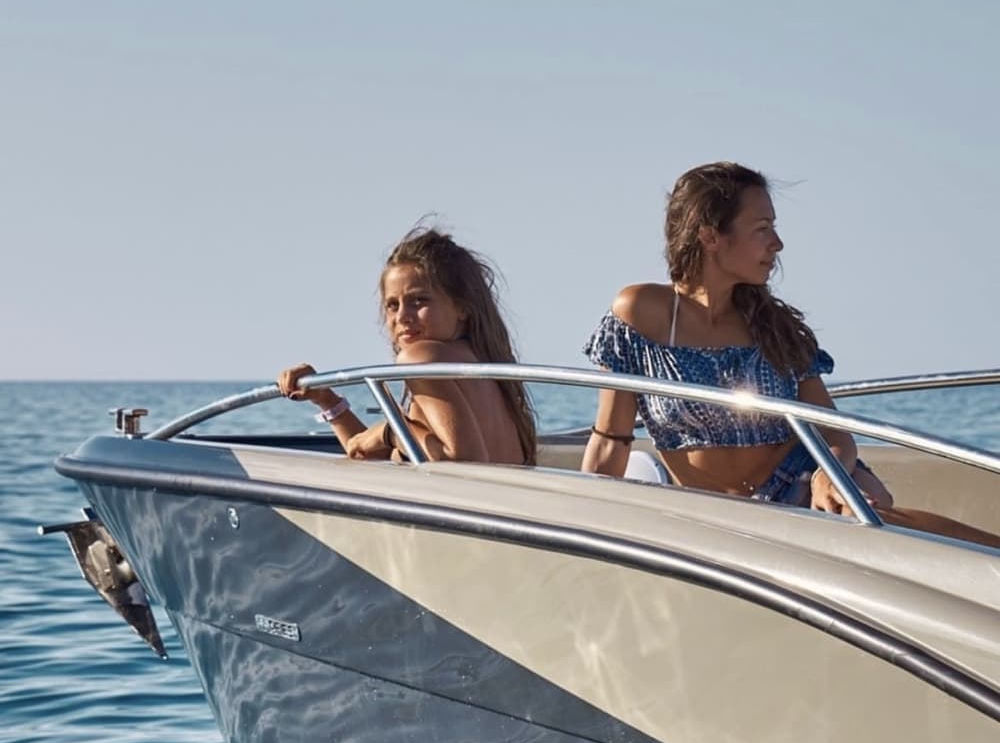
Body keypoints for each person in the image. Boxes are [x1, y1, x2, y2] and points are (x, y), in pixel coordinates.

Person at [582, 161, 1000, 548]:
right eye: (762, 228)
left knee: (869, 516)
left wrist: (827, 475)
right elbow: (611, 439)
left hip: (799, 484)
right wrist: (581, 529)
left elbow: (834, 431)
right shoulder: (641, 312)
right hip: (713, 512)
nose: (777, 244)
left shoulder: (773, 325)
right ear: (710, 235)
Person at [278, 225, 536, 466]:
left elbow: (463, 460)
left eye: (419, 301)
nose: (402, 317)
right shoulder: (485, 366)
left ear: (462, 307)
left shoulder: (421, 358)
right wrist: (327, 400)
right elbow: (368, 452)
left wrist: (391, 431)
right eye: (392, 305)